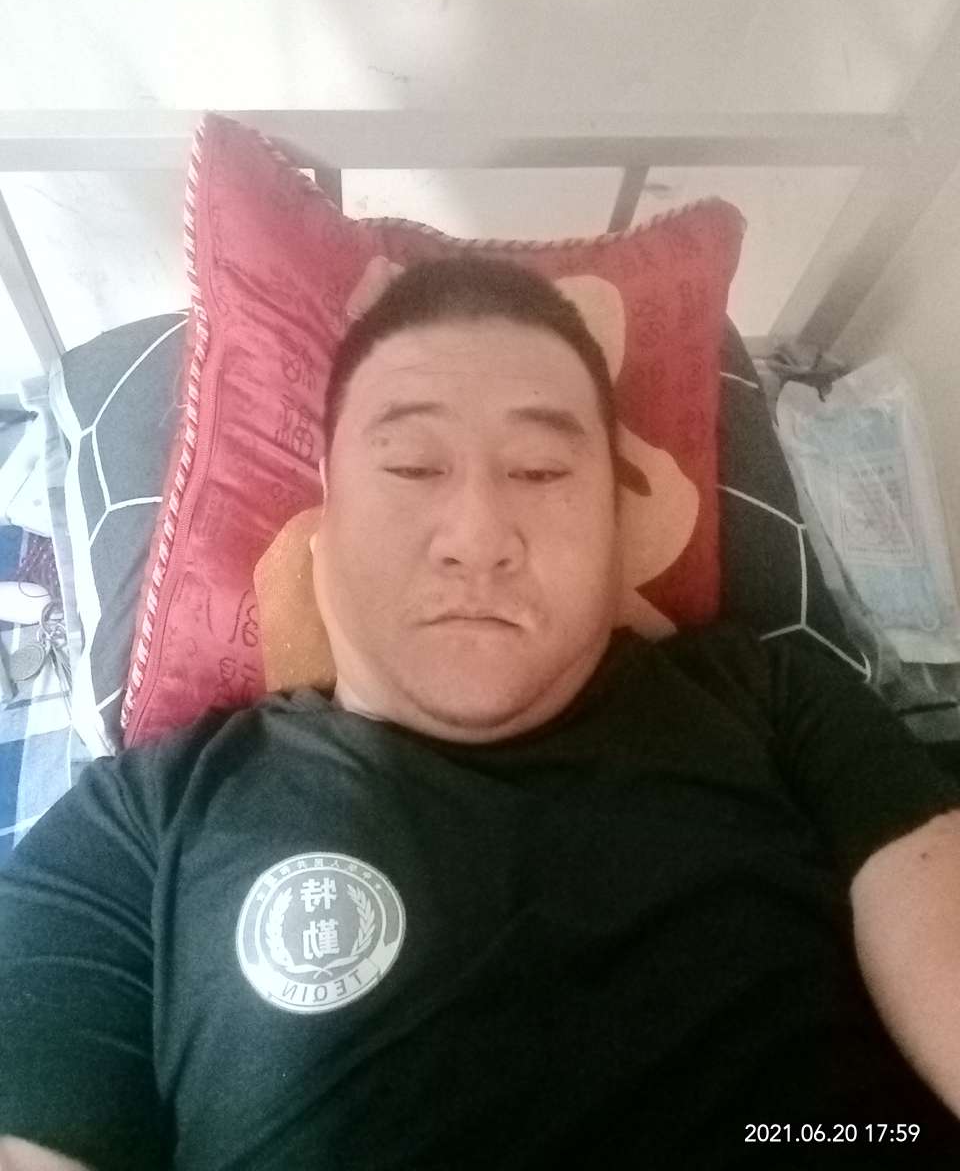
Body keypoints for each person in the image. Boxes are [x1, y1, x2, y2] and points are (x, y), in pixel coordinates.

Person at [3, 255, 960, 1171]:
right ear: (326, 513)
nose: (476, 537)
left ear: (616, 517)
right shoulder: (135, 831)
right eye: (412, 466)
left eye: (541, 471)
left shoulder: (774, 700)